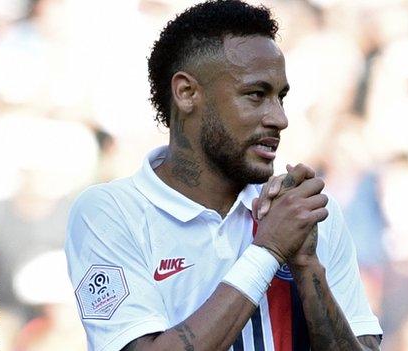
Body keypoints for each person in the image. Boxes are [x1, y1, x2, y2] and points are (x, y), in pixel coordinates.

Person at [64, 1, 383, 350]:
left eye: (281, 97)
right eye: (256, 95)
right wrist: (269, 250)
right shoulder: (111, 212)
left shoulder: (305, 213)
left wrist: (306, 265)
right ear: (187, 93)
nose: (279, 118)